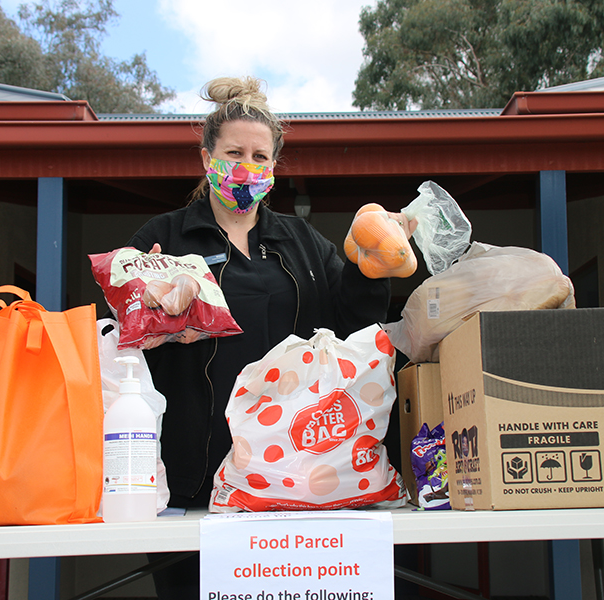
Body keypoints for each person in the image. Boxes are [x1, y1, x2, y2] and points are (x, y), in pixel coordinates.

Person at [124, 75, 413, 599]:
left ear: (275, 167)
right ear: (206, 158)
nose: (247, 165)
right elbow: (128, 319)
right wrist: (158, 306)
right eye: (234, 152)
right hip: (192, 470)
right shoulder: (163, 237)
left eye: (260, 155)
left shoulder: (301, 242)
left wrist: (371, 270)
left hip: (293, 474)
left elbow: (352, 328)